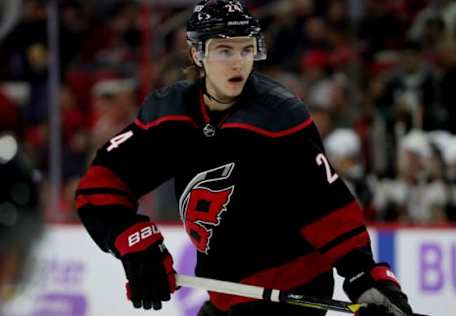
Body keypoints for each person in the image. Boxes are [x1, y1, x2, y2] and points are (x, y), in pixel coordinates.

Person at [75, 1, 414, 315]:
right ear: (197, 54)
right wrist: (135, 244)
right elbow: (101, 186)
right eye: (224, 50)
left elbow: (327, 205)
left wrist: (363, 273)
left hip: (289, 288)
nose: (238, 62)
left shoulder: (277, 118)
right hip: (226, 294)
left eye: (245, 49)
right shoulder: (170, 115)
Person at [0, 133, 41, 310]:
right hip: (11, 219)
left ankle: (7, 291)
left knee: (13, 252)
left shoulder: (17, 167)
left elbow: (31, 197)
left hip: (16, 222)